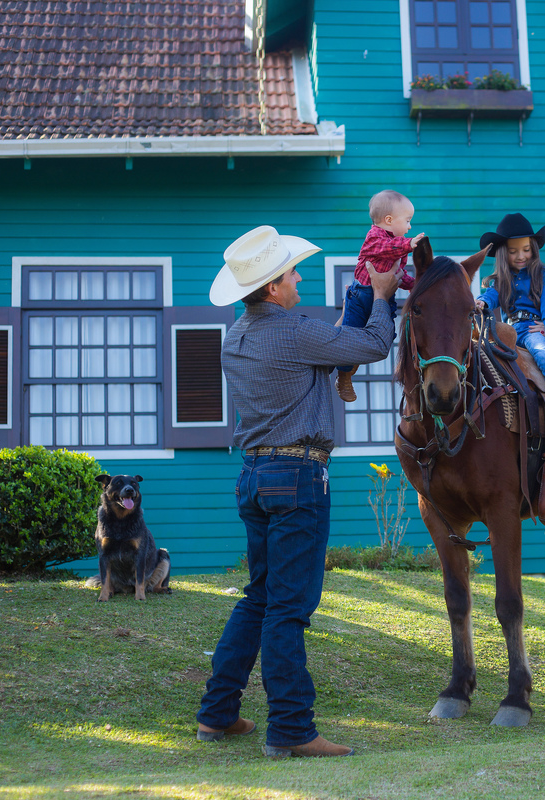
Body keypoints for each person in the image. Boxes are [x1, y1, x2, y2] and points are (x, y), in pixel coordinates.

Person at [200, 225, 399, 758]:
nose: (299, 278)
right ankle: (290, 728)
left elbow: (324, 348)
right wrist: (381, 295)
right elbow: (376, 345)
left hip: (255, 476)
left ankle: (218, 713)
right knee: (289, 608)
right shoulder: (293, 332)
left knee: (259, 597)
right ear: (271, 288)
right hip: (298, 476)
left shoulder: (236, 337)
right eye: (291, 273)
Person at [474, 212, 545, 447]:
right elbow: (492, 296)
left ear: (533, 248)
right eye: (513, 251)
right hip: (508, 332)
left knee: (543, 354)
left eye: (525, 249)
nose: (520, 256)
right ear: (504, 254)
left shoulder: (544, 274)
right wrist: (482, 302)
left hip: (533, 329)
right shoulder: (501, 279)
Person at [336, 189, 425, 402]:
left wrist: (414, 286)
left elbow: (398, 275)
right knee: (349, 335)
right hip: (361, 296)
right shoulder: (375, 237)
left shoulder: (398, 248)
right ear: (388, 220)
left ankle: (357, 355)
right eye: (407, 220)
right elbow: (387, 247)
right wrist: (409, 244)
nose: (409, 226)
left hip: (385, 298)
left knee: (387, 336)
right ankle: (344, 373)